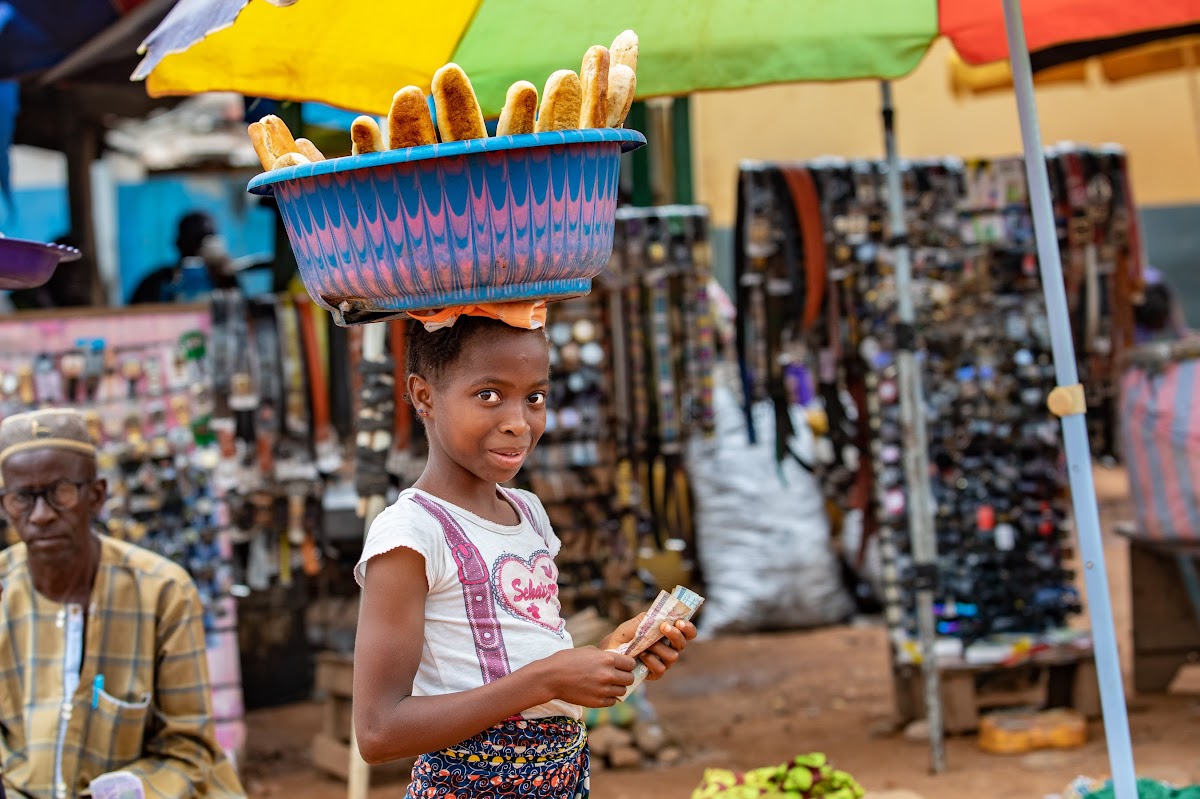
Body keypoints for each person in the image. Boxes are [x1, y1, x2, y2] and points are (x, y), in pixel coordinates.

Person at [352, 308, 697, 797]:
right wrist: (549, 678)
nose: (519, 422)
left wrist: (612, 657)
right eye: (488, 395)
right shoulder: (410, 535)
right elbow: (378, 732)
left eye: (535, 397)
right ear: (423, 396)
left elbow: (530, 670)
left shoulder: (527, 512)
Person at [0, 409, 246, 799]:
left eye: (60, 492)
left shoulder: (163, 592)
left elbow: (189, 749)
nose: (41, 515)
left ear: (95, 496)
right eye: (21, 498)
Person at [129, 212, 237, 304]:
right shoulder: (157, 282)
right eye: (193, 240)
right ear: (178, 243)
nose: (197, 249)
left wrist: (225, 273)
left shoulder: (223, 279)